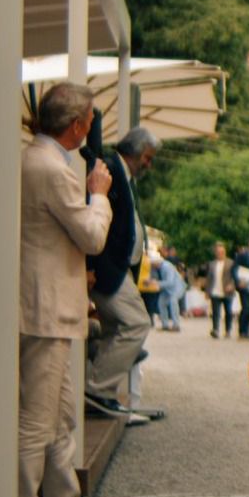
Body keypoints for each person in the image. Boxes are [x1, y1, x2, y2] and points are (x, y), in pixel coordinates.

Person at [17, 82, 123, 497]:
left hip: (48, 308)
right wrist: (98, 195)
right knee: (38, 422)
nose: (93, 127)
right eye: (91, 119)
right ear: (77, 126)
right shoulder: (50, 168)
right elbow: (92, 236)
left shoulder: (36, 159)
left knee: (59, 419)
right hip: (45, 310)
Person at [85, 127, 159, 421]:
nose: (149, 165)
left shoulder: (119, 173)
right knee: (137, 323)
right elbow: (94, 215)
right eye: (148, 158)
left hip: (117, 268)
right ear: (136, 152)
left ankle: (98, 390)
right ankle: (97, 388)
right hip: (109, 268)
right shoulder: (110, 170)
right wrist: (90, 266)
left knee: (117, 328)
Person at [206, 241, 236, 338]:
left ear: (225, 252)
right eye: (218, 252)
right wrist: (207, 292)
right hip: (215, 290)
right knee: (215, 312)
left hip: (227, 291)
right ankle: (215, 330)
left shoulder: (231, 263)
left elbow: (235, 277)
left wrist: (232, 285)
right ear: (215, 253)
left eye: (222, 252)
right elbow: (209, 278)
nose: (220, 254)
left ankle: (228, 330)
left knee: (228, 312)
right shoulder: (212, 264)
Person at [153, 251, 185, 331]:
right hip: (167, 289)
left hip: (176, 288)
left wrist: (156, 283)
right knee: (161, 303)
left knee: (173, 303)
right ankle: (165, 325)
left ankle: (176, 325)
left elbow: (170, 282)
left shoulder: (167, 267)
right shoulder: (158, 267)